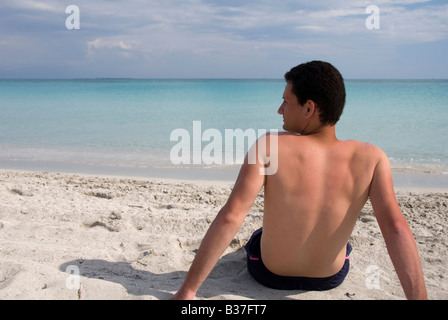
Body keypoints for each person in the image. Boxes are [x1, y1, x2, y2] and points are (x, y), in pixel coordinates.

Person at [172, 61, 427, 300]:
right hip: (329, 278)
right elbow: (396, 229)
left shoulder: (269, 146)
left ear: (309, 108)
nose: (280, 109)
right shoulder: (372, 157)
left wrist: (187, 291)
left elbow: (231, 216)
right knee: (344, 245)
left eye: (286, 102)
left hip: (270, 275)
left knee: (257, 238)